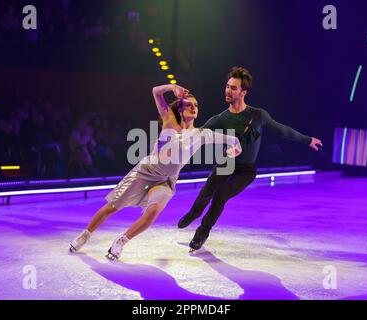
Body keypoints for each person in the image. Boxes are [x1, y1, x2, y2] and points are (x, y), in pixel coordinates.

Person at [69, 84, 242, 260]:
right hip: (146, 172)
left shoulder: (202, 134)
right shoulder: (169, 121)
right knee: (112, 207)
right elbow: (156, 91)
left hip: (166, 180)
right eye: (188, 104)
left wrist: (235, 146)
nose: (193, 107)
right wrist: (173, 87)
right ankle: (85, 235)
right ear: (180, 109)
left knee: (153, 212)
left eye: (196, 105)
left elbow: (232, 139)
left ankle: (121, 241)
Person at [178, 67, 323, 252]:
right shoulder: (221, 119)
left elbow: (282, 130)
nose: (228, 90)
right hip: (226, 163)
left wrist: (308, 140)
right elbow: (197, 136)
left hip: (246, 170)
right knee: (207, 189)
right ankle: (194, 213)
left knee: (221, 196)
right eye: (227, 86)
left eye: (233, 88)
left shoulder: (257, 115)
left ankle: (201, 234)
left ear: (243, 92)